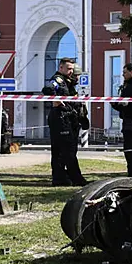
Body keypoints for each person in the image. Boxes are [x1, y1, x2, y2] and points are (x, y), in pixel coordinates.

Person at [42, 57, 88, 186]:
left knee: (62, 151)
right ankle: (76, 179)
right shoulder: (58, 79)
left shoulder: (69, 81)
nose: (71, 72)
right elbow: (47, 89)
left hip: (69, 117)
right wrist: (54, 99)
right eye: (68, 69)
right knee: (67, 150)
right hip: (60, 118)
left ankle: (60, 178)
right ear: (60, 68)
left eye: (72, 69)